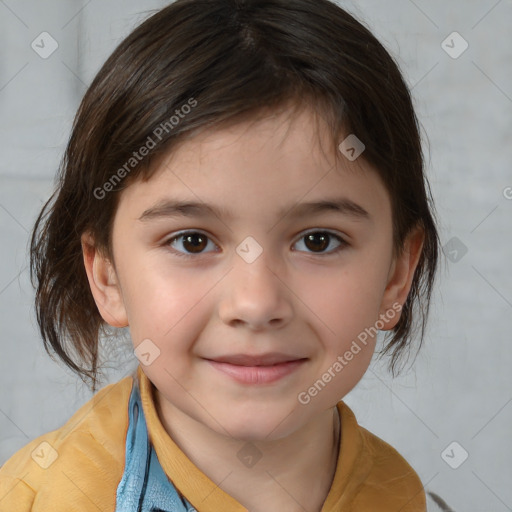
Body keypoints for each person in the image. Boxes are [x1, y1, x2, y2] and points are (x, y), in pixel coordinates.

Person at [0, 0, 440, 510]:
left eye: (318, 240)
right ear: (107, 277)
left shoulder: (398, 493)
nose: (255, 304)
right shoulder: (39, 498)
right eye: (192, 241)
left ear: (396, 275)